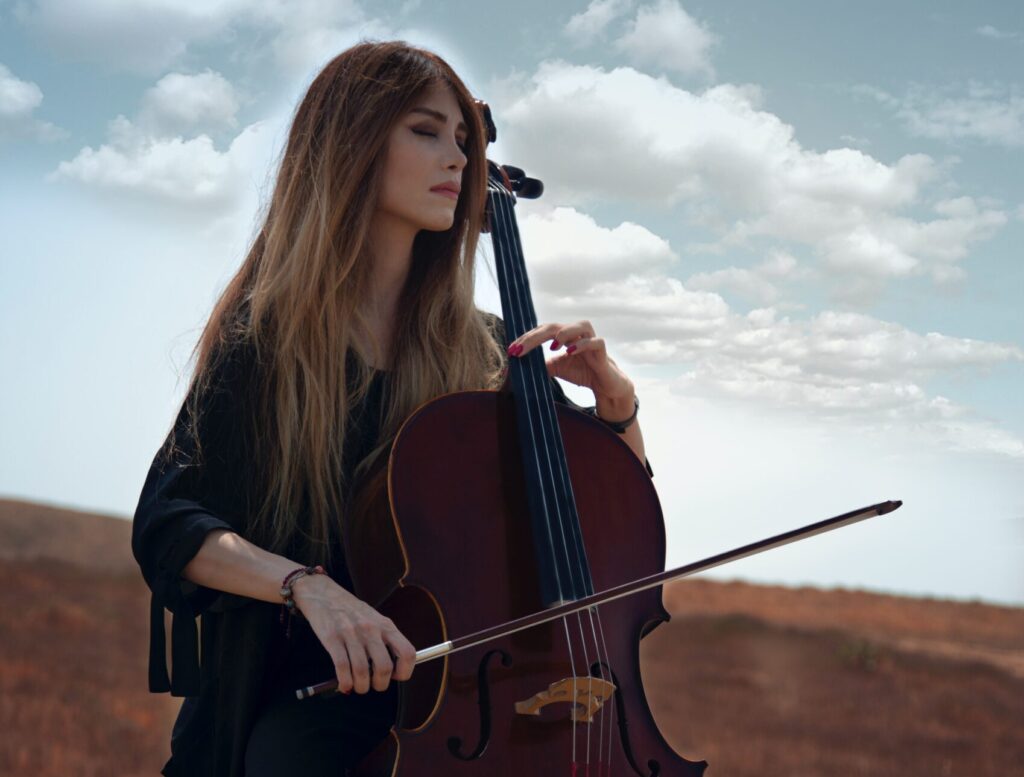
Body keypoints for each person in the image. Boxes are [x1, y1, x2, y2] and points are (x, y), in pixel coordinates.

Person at [131, 40, 649, 777]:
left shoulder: (486, 351)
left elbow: (613, 527)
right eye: (426, 130)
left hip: (473, 684)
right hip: (310, 684)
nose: (459, 162)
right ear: (351, 142)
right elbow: (173, 522)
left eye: (465, 143)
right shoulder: (269, 341)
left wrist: (618, 407)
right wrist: (306, 586)